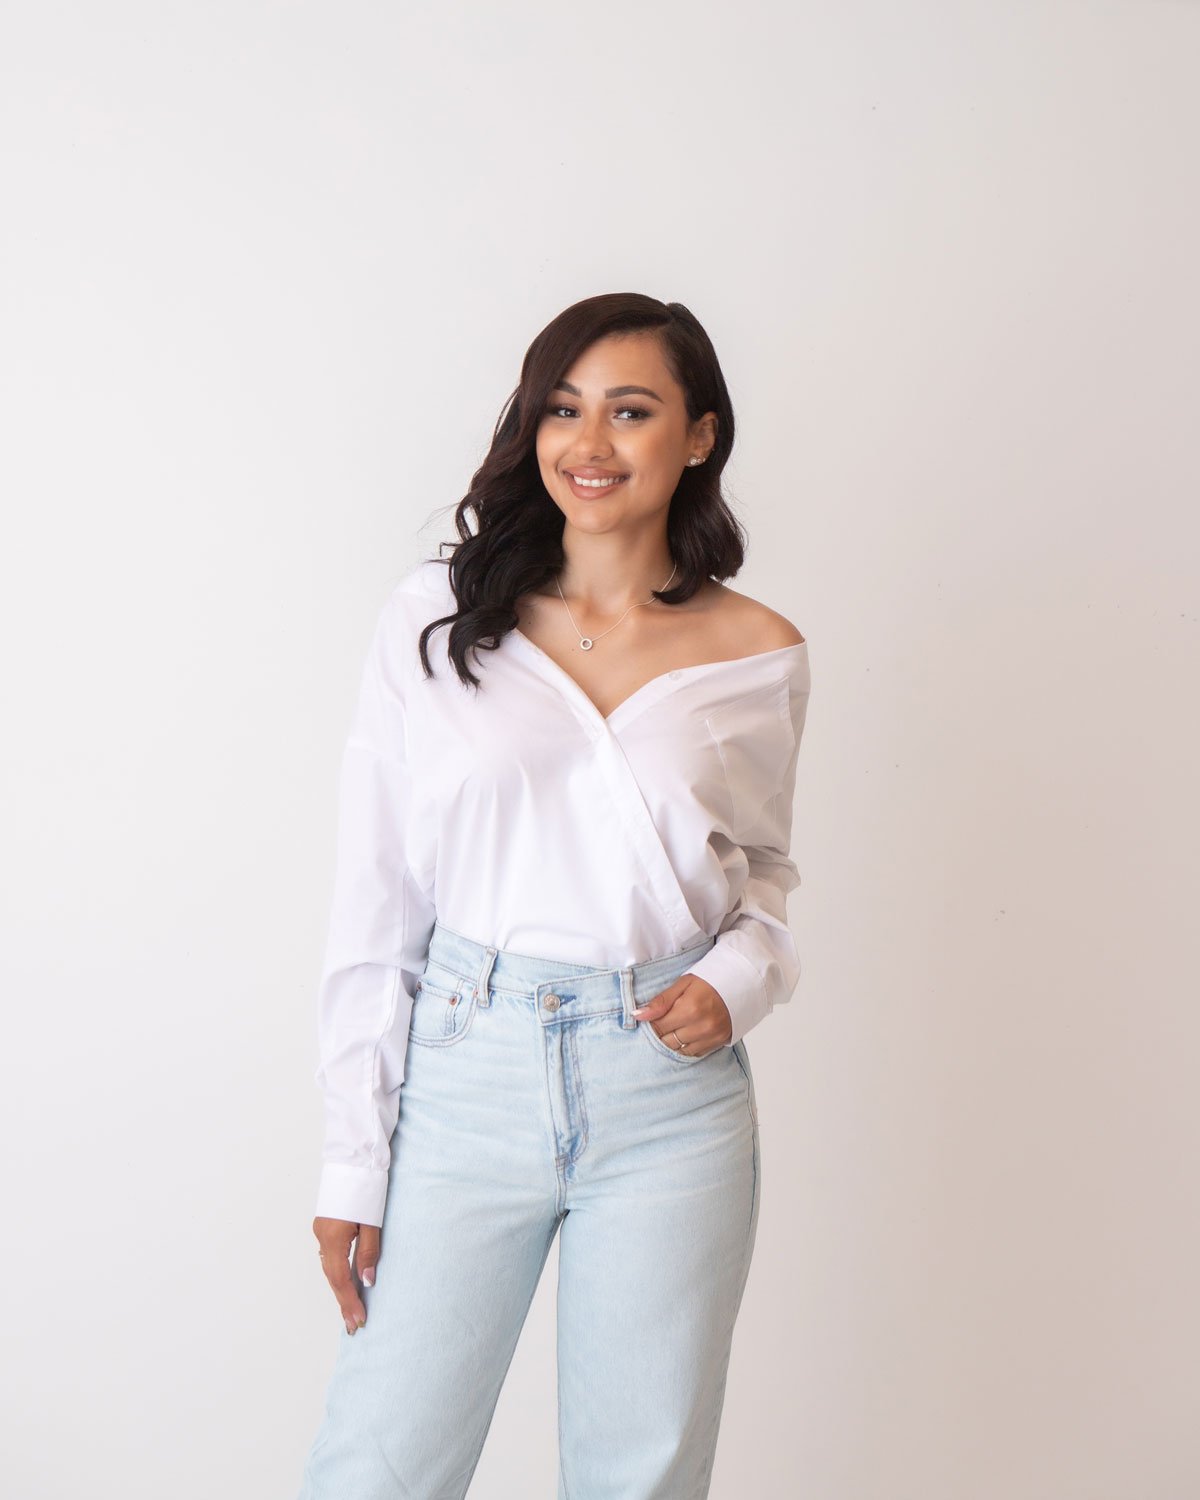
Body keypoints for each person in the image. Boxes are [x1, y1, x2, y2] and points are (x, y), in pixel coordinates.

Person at [295, 290, 812, 1499]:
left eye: (630, 411)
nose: (590, 442)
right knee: (379, 1465)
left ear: (699, 435)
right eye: (562, 410)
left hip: (670, 1101)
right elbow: (375, 900)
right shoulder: (437, 621)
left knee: (641, 1476)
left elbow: (769, 880)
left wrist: (736, 984)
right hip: (464, 1074)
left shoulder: (759, 652)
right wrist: (351, 1162)